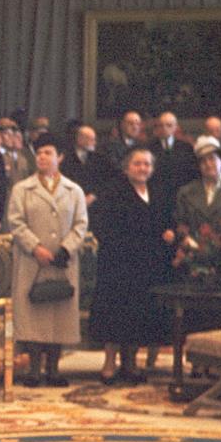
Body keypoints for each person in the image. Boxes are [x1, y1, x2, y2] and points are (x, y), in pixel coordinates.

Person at [6, 133, 90, 388]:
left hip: (63, 261)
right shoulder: (22, 189)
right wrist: (36, 247)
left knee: (58, 314)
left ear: (60, 157)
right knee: (34, 314)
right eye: (39, 153)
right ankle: (33, 370)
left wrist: (66, 248)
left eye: (48, 153)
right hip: (33, 261)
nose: (42, 157)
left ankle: (54, 369)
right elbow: (16, 222)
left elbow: (81, 223)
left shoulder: (74, 190)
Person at [87, 147, 175, 385]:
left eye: (147, 164)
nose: (142, 168)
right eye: (138, 164)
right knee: (115, 314)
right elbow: (101, 226)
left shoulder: (158, 192)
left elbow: (166, 222)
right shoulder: (113, 192)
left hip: (147, 265)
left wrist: (169, 233)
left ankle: (131, 363)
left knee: (138, 314)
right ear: (127, 167)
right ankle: (109, 364)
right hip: (118, 264)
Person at [174, 137, 221, 232]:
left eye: (212, 159)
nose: (208, 164)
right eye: (203, 161)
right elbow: (180, 224)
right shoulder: (185, 193)